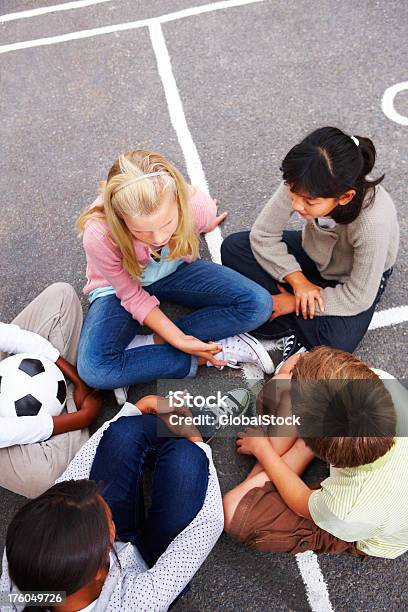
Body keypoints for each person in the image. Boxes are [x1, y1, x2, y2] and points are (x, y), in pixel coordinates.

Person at [76, 150, 273, 403]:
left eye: (167, 223)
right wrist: (179, 339)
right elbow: (131, 295)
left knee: (258, 304)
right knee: (94, 370)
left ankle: (144, 349)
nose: (159, 238)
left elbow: (201, 213)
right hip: (117, 289)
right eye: (141, 231)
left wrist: (203, 221)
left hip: (174, 273)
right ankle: (198, 353)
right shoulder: (100, 233)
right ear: (120, 220)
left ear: (179, 202)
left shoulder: (194, 208)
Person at [0, 394, 225, 611]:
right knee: (188, 460)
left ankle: (166, 430)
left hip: (102, 559)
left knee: (123, 434)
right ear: (100, 565)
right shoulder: (141, 602)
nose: (101, 498)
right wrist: (198, 442)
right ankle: (183, 439)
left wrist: (134, 409)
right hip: (150, 568)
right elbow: (208, 524)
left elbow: (71, 482)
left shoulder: (24, 564)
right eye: (108, 518)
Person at [221, 127, 399, 363]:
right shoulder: (303, 181)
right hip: (315, 253)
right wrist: (299, 282)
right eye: (293, 195)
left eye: (309, 202)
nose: (296, 205)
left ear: (345, 197)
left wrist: (293, 302)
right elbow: (263, 235)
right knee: (234, 248)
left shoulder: (372, 224)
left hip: (352, 277)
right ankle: (291, 320)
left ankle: (277, 320)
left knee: (338, 344)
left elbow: (358, 297)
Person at [223, 347, 408, 559]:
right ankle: (298, 446)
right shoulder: (380, 381)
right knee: (286, 388)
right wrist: (284, 381)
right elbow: (301, 360)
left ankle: (301, 450)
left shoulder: (345, 510)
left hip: (367, 528)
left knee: (234, 510)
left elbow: (302, 501)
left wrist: (264, 451)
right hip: (373, 481)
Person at [0, 283, 102, 498]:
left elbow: (14, 338)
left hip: (12, 377)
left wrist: (79, 380)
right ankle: (73, 403)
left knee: (61, 296)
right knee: (47, 481)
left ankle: (73, 391)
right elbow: (11, 430)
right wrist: (85, 416)